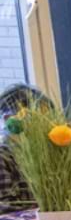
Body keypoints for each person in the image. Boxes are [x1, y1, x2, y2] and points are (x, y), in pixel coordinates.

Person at [0, 84, 45, 213]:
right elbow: (6, 212)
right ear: (9, 119)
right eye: (38, 119)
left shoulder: (44, 153)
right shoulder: (3, 157)